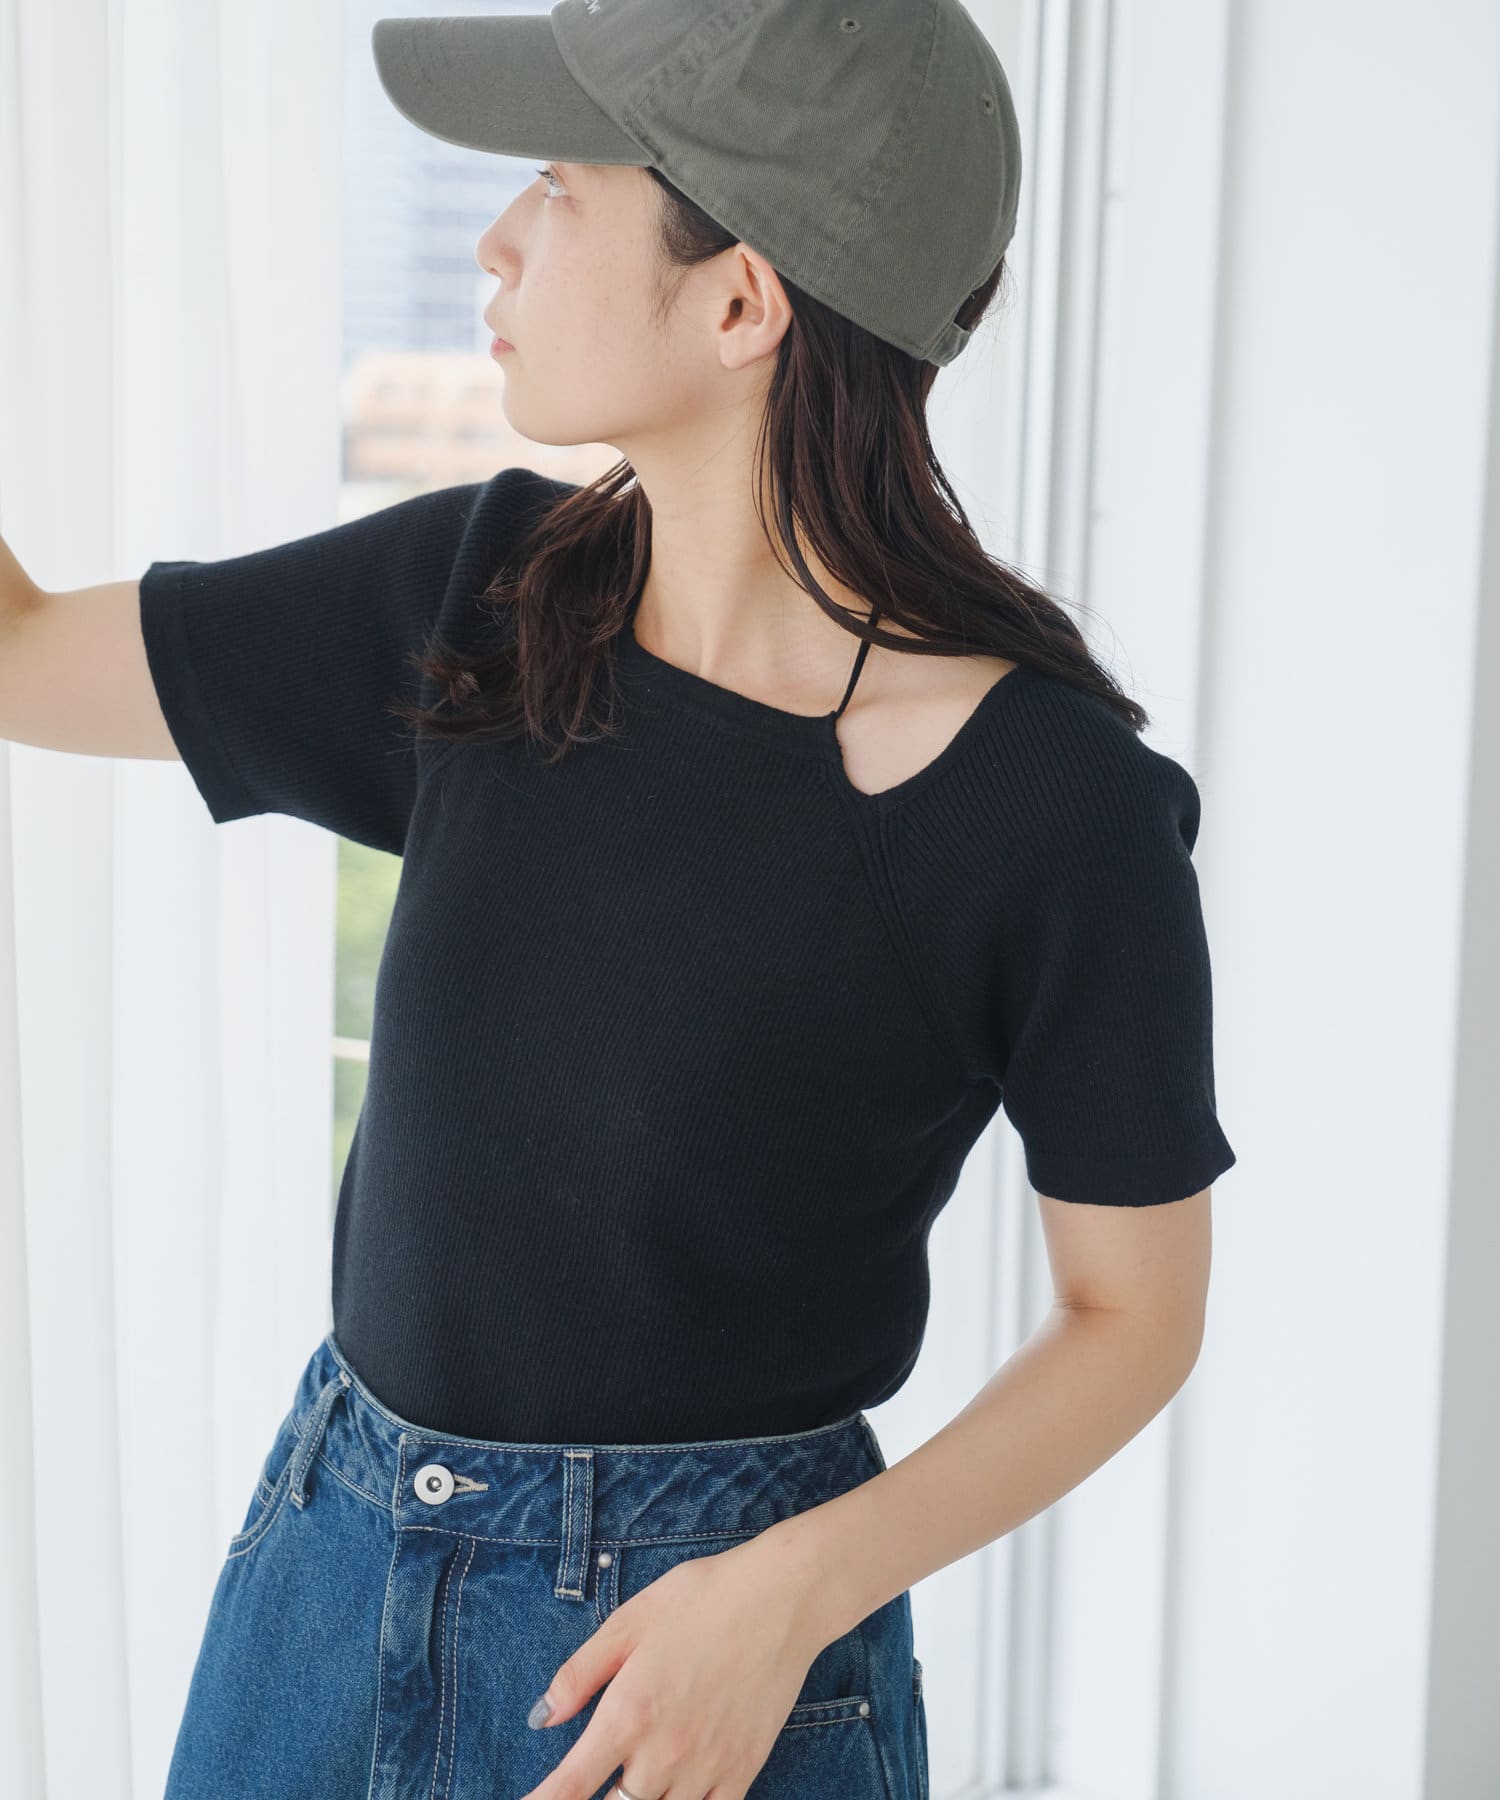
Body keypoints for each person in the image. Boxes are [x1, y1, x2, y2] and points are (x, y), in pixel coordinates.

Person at [0, 2, 1236, 1796]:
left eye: (558, 187)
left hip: (704, 1660)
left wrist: (795, 1591)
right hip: (322, 1584)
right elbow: (24, 659)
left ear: (740, 303)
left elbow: (1135, 1315)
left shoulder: (1050, 809)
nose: (497, 240)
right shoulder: (484, 602)